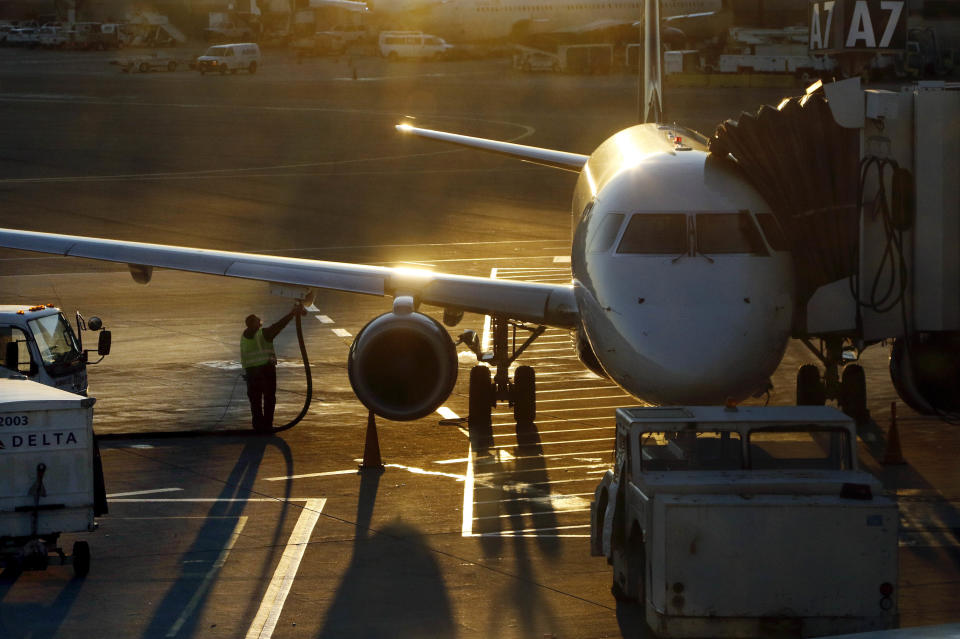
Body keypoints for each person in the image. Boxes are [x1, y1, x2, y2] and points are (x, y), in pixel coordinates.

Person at [240, 302, 304, 433]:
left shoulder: (244, 336)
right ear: (253, 324)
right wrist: (292, 314)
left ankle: (258, 426)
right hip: (265, 372)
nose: (260, 321)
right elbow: (278, 326)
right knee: (269, 398)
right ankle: (267, 426)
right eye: (258, 320)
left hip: (251, 374)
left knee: (255, 401)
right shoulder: (262, 334)